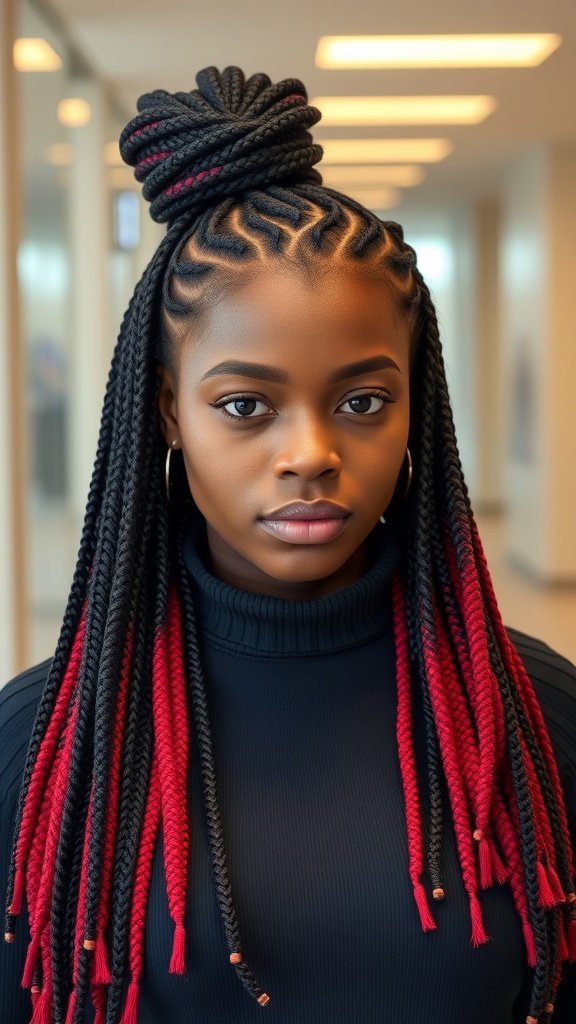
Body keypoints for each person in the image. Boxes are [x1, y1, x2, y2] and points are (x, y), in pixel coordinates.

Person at [1, 65, 575, 1024]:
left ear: (414, 411)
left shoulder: (531, 723)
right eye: (245, 405)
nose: (310, 454)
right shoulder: (49, 749)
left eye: (361, 401)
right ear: (167, 414)